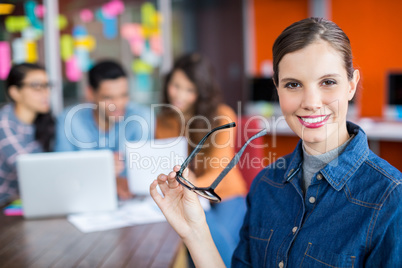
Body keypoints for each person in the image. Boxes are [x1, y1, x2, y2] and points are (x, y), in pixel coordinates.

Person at [150, 17, 402, 267]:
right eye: (293, 84)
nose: (311, 102)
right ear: (277, 89)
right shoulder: (265, 185)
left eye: (328, 82)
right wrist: (194, 232)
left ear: (351, 85)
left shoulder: (390, 198)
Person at [155, 53, 248, 267]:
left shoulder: (222, 116)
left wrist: (191, 186)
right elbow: (164, 160)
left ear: (202, 92)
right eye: (176, 85)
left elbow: (221, 169)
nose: (179, 95)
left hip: (225, 194)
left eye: (190, 90)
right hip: (187, 194)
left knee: (215, 237)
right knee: (205, 235)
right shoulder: (164, 121)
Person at [55, 60, 153, 200]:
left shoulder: (142, 118)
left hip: (129, 204)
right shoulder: (69, 120)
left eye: (123, 95)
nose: (118, 104)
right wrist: (102, 171)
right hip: (84, 200)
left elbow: (144, 173)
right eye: (108, 97)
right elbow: (61, 173)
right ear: (90, 93)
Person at [0, 63, 54, 206]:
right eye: (37, 87)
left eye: (47, 85)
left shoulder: (42, 121)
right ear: (15, 92)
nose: (46, 93)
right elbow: (33, 173)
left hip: (27, 201)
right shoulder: (4, 124)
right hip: (4, 207)